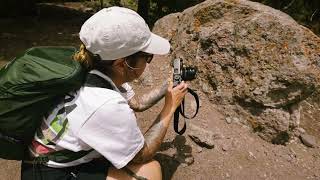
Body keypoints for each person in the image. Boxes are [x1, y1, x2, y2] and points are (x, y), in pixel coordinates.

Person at [21, 6, 188, 180]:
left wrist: (167, 86)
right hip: (47, 173)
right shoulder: (105, 103)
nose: (149, 63)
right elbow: (141, 154)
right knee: (150, 170)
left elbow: (137, 103)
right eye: (147, 57)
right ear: (123, 63)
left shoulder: (92, 69)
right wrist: (169, 108)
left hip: (41, 159)